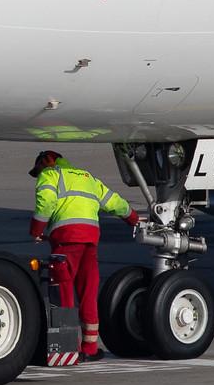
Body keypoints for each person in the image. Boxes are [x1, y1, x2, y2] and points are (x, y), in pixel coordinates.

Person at [27, 150, 136, 361]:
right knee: (88, 292)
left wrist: (37, 231)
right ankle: (90, 348)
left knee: (63, 291)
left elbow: (46, 203)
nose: (38, 173)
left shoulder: (51, 175)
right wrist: (132, 218)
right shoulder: (86, 177)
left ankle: (68, 349)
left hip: (67, 240)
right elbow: (113, 201)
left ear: (47, 160)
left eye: (38, 168)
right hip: (90, 241)